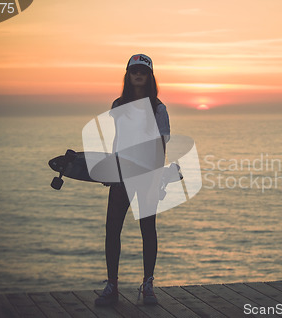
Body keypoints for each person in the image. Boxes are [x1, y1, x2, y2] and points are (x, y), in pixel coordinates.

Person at [95, 54, 170, 306]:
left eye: (143, 71)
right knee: (112, 229)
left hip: (147, 175)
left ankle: (148, 284)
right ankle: (112, 285)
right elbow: (118, 140)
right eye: (134, 70)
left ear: (150, 76)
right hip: (122, 173)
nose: (138, 74)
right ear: (127, 74)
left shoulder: (158, 108)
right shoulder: (118, 105)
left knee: (147, 229)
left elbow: (160, 147)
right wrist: (111, 169)